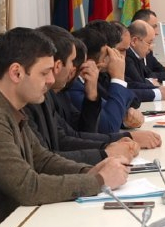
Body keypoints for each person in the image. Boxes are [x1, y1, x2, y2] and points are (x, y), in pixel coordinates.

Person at [0, 28, 129, 223]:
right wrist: (99, 180)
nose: (51, 80)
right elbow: (27, 187)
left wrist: (89, 171)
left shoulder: (5, 105)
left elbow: (41, 159)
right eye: (44, 73)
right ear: (16, 73)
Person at [26, 25, 141, 164]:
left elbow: (69, 136)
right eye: (45, 71)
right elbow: (44, 160)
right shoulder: (57, 92)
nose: (74, 69)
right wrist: (106, 152)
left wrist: (91, 97)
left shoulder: (49, 94)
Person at [68, 27, 142, 134]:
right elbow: (109, 127)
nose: (115, 58)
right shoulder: (73, 88)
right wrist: (118, 77)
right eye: (107, 55)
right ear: (90, 63)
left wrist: (125, 118)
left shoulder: (90, 80)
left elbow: (133, 100)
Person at [123, 20, 165, 102]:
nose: (151, 47)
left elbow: (145, 77)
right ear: (134, 41)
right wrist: (160, 91)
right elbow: (136, 84)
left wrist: (161, 89)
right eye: (149, 42)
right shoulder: (127, 56)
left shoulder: (137, 55)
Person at [131, 9, 165, 81]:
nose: (157, 32)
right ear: (141, 26)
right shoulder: (129, 52)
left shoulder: (146, 49)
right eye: (154, 27)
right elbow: (143, 77)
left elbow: (155, 70)